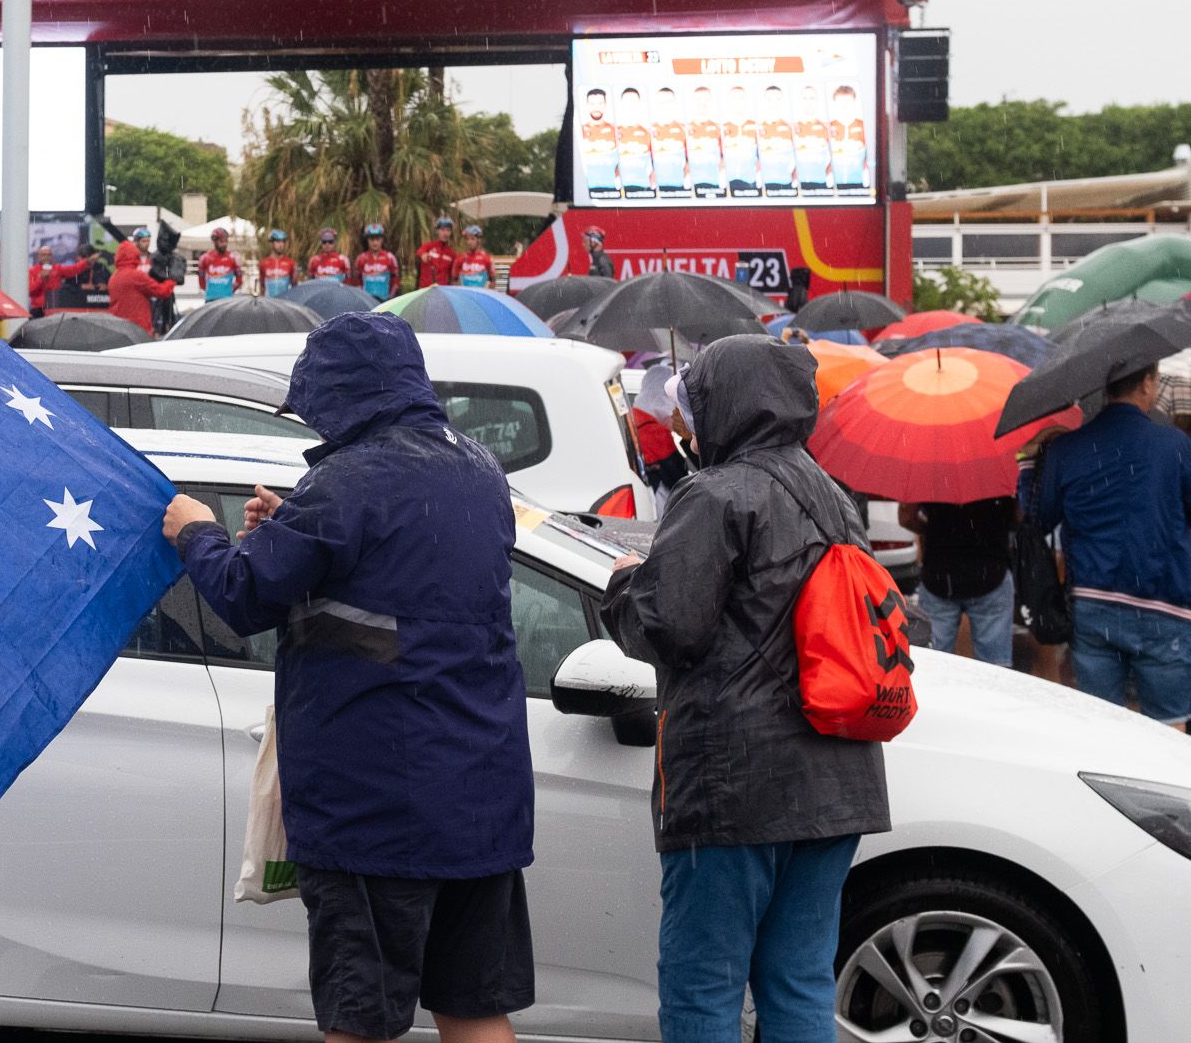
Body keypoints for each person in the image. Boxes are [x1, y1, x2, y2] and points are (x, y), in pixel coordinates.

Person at [159, 310, 535, 1043]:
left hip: (376, 809)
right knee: (473, 1007)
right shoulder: (480, 470)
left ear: (342, 395)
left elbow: (242, 596)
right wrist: (293, 519)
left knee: (360, 1020)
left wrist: (196, 531)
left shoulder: (346, 482)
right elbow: (396, 567)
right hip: (480, 799)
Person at [602, 336, 891, 1042]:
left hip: (732, 786)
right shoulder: (833, 495)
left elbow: (671, 625)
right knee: (798, 982)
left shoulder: (716, 493)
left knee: (704, 986)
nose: (687, 423)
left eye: (693, 404)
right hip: (837, 784)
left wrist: (623, 582)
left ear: (725, 403)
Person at [1023, 363, 1191, 726]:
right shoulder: (1175, 445)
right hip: (1164, 606)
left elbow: (1037, 518)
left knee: (1102, 729)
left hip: (1092, 606)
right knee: (1170, 730)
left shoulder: (1067, 448)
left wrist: (1031, 460)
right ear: (1146, 384)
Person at [898, 498, 1016, 666]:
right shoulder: (1001, 474)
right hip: (990, 573)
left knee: (934, 665)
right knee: (995, 668)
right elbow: (1018, 515)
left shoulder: (928, 473)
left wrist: (933, 530)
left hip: (940, 576)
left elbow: (906, 517)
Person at [629, 365, 690, 509]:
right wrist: (688, 439)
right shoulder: (655, 432)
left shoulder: (630, 419)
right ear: (663, 397)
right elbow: (679, 479)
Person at [106, 240, 175, 334]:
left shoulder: (113, 277)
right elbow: (162, 291)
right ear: (135, 255)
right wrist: (172, 280)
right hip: (139, 327)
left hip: (120, 327)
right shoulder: (137, 276)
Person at [580, 88, 622, 200]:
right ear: (587, 105)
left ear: (605, 105)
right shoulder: (579, 132)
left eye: (600, 103)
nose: (596, 107)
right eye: (592, 103)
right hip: (585, 192)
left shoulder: (616, 131)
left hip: (612, 191)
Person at [828, 85, 870, 194]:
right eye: (841, 104)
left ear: (854, 103)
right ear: (835, 104)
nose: (844, 107)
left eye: (848, 103)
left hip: (859, 184)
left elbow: (870, 155)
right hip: (832, 185)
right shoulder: (828, 127)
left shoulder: (864, 127)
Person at [615, 88, 656, 198]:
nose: (630, 105)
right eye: (627, 101)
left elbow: (654, 165)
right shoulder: (614, 133)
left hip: (644, 189)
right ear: (621, 104)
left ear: (639, 104)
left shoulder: (649, 133)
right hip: (620, 192)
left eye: (634, 101)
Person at [27, 245, 87, 318]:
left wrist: (87, 262)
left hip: (54, 308)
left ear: (52, 256)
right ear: (39, 257)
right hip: (38, 309)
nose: (46, 257)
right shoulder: (32, 271)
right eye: (44, 255)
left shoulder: (58, 268)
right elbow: (30, 291)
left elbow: (74, 269)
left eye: (49, 254)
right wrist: (40, 279)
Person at [686, 86, 725, 199]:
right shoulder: (685, 130)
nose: (702, 103)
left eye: (706, 99)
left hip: (715, 186)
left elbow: (724, 159)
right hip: (690, 187)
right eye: (698, 100)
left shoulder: (719, 129)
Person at [651, 88, 690, 197]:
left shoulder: (684, 129)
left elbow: (690, 159)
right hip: (656, 189)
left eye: (668, 102)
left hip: (680, 188)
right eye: (661, 102)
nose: (665, 106)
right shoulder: (649, 131)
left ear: (674, 104)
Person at [354, 223, 400, 302]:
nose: (374, 242)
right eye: (372, 239)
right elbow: (357, 281)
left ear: (382, 239)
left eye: (377, 239)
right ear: (367, 240)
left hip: (385, 300)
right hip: (367, 300)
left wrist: (391, 297)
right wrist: (361, 297)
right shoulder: (361, 258)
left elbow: (395, 281)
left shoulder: (390, 257)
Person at [197, 227, 243, 303]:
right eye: (221, 241)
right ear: (214, 241)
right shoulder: (204, 258)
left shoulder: (233, 257)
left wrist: (230, 290)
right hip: (210, 298)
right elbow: (201, 281)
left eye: (226, 241)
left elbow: (239, 279)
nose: (224, 244)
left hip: (227, 299)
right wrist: (209, 291)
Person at [415, 216, 458, 289]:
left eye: (448, 230)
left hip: (442, 291)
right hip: (425, 290)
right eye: (442, 230)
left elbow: (453, 276)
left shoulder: (452, 254)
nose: (445, 233)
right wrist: (423, 255)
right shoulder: (429, 246)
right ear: (437, 231)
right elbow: (419, 251)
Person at [259, 228, 297, 297]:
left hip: (284, 303)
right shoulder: (263, 263)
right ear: (271, 243)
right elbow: (262, 287)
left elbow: (295, 287)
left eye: (283, 241)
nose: (281, 244)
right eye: (278, 241)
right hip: (269, 303)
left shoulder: (291, 263)